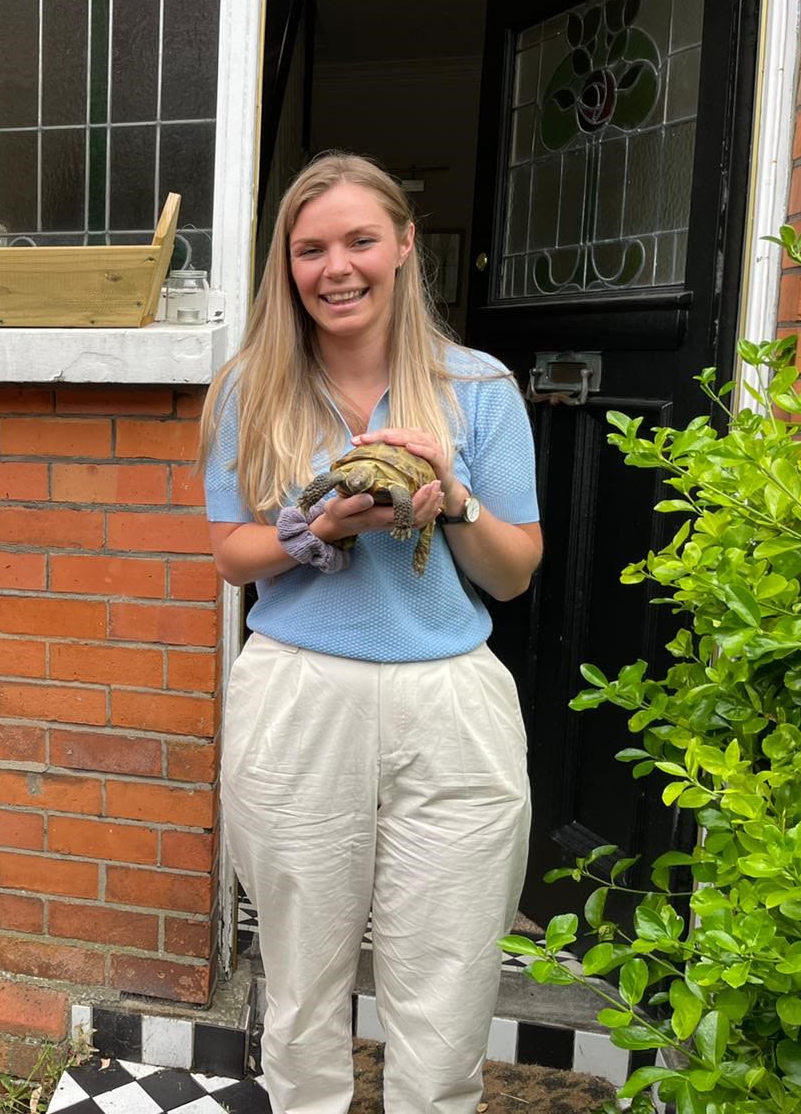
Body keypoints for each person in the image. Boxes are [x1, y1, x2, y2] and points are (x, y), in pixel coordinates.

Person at [199, 153, 543, 1114]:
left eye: (358, 240)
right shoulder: (250, 388)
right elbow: (231, 552)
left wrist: (458, 502)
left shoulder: (478, 388)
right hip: (300, 692)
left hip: (451, 700)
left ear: (403, 246)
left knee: (449, 975)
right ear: (288, 264)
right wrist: (316, 529)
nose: (335, 267)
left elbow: (515, 573)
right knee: (303, 979)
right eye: (311, 249)